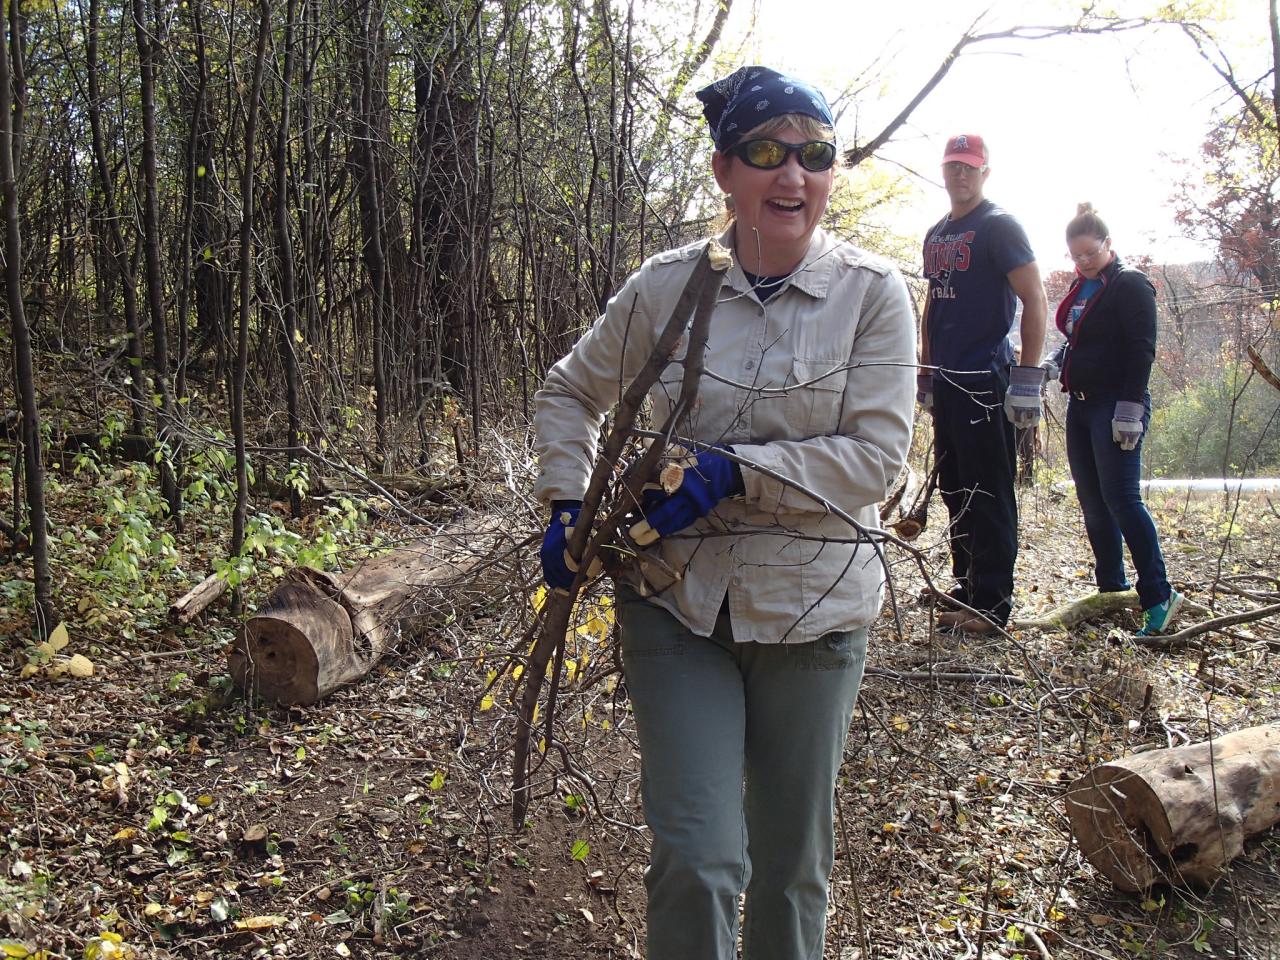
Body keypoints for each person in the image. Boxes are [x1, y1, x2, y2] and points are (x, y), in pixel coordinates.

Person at [533, 66, 916, 960]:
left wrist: (737, 471)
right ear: (724, 171)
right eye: (766, 152)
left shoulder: (873, 294)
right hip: (676, 605)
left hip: (815, 612)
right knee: (699, 861)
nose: (793, 176)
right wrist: (565, 504)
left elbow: (875, 459)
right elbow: (568, 393)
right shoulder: (666, 288)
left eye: (814, 154)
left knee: (789, 872)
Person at [918, 133, 1048, 633]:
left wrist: (1027, 380)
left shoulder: (999, 227)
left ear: (985, 173)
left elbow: (1034, 298)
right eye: (954, 165)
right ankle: (966, 586)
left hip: (985, 376)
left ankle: (992, 604)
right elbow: (933, 304)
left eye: (971, 167)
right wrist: (926, 371)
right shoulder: (936, 233)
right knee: (955, 485)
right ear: (944, 170)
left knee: (989, 488)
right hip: (948, 378)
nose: (962, 174)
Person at [1045, 204, 1183, 635]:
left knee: (1123, 500)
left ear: (1108, 244)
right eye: (1076, 255)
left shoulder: (1130, 284)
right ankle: (1112, 589)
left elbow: (1141, 349)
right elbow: (1080, 341)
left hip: (1115, 406)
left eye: (1090, 253)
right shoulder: (1082, 286)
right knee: (1092, 502)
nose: (1083, 262)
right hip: (1081, 405)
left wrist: (1130, 409)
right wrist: (1053, 361)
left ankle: (1159, 596)